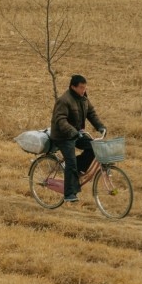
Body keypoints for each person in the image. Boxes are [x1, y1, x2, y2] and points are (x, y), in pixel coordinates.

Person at [50, 74, 107, 202]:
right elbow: (60, 120)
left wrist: (100, 127)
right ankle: (69, 194)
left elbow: (91, 113)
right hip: (62, 136)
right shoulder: (64, 100)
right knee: (71, 162)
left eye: (85, 88)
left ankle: (76, 171)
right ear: (73, 87)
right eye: (81, 88)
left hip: (77, 134)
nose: (83, 90)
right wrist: (73, 132)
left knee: (93, 148)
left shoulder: (83, 99)